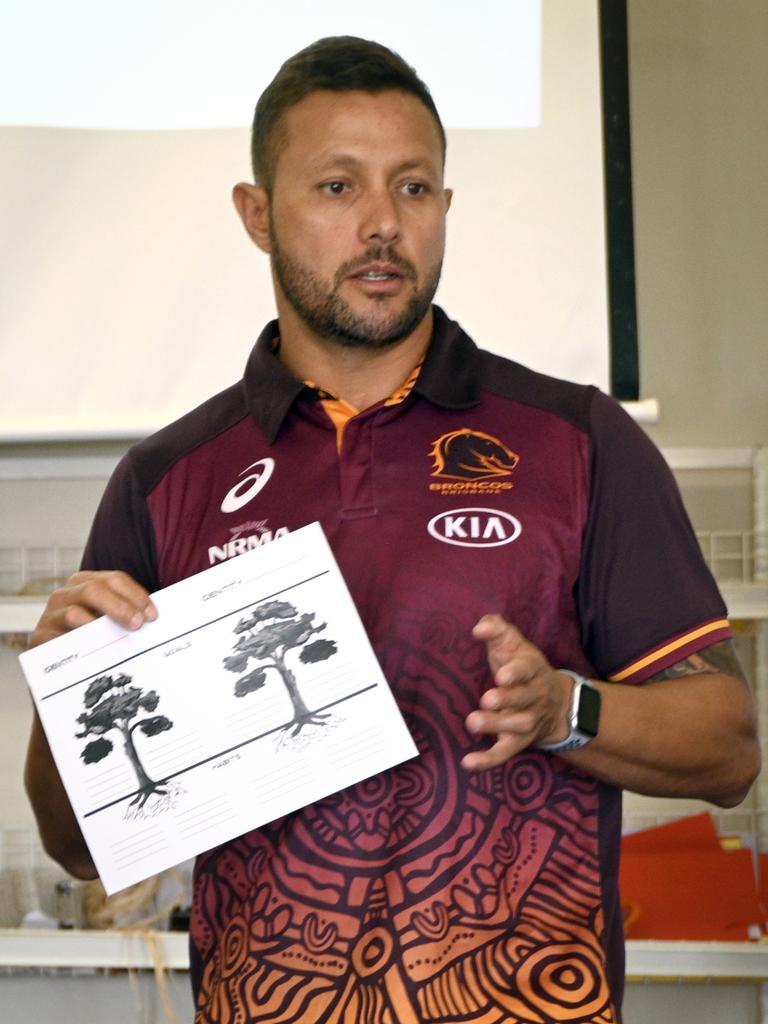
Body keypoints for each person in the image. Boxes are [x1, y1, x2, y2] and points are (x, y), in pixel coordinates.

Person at [25, 35, 759, 1024]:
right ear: (256, 214)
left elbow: (728, 746)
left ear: (446, 209)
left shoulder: (577, 441)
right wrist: (63, 698)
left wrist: (565, 713)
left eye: (414, 189)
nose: (381, 224)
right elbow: (80, 845)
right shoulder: (166, 480)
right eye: (337, 187)